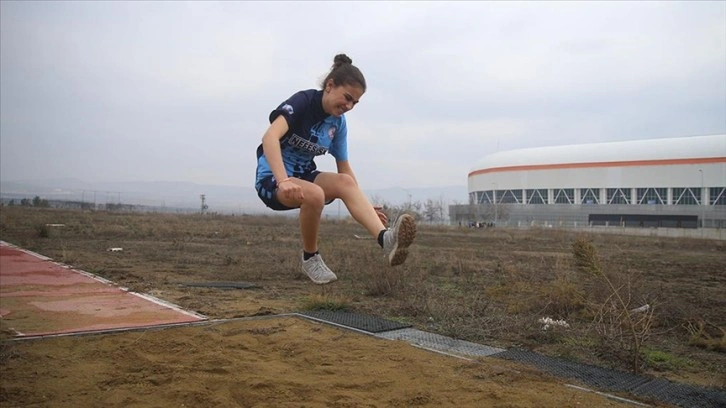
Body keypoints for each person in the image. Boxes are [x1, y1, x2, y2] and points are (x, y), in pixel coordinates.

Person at [255, 53, 416, 285]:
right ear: (330, 86)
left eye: (355, 103)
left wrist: (362, 204)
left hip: (304, 175)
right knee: (315, 194)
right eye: (347, 98)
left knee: (345, 183)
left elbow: (345, 168)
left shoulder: (338, 124)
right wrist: (283, 181)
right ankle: (310, 258)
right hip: (272, 179)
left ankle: (385, 239)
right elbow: (270, 137)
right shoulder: (303, 101)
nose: (349, 106)